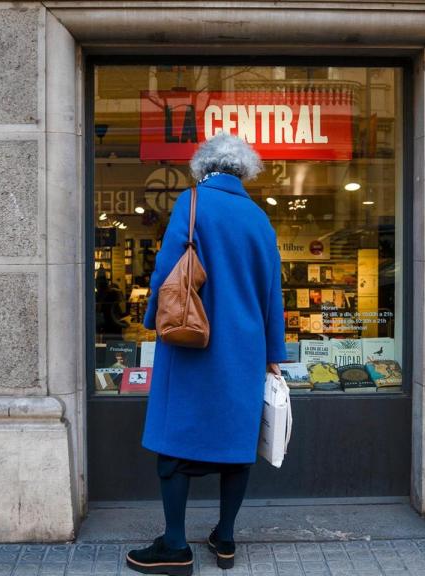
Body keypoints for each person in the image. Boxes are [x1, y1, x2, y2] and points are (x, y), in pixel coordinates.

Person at [125, 133, 286, 576]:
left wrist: (152, 319)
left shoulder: (192, 203)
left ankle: (175, 545)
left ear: (204, 166)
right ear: (243, 170)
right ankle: (226, 538)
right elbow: (274, 294)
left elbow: (166, 269)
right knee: (237, 446)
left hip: (193, 343)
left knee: (173, 443)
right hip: (245, 351)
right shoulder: (259, 218)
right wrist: (273, 353)